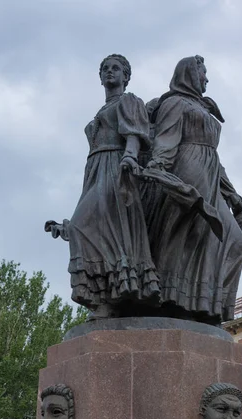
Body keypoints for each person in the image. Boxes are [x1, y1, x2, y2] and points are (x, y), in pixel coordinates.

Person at [46, 54, 160, 318]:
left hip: (115, 167)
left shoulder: (129, 101)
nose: (110, 72)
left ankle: (109, 297)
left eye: (116, 68)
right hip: (95, 170)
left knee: (86, 227)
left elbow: (134, 134)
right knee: (99, 232)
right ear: (99, 77)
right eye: (105, 69)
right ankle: (106, 299)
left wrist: (130, 157)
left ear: (126, 76)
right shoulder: (100, 110)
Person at [144, 55, 242, 324]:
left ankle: (209, 304)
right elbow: (165, 141)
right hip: (187, 172)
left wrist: (234, 197)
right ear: (190, 74)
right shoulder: (174, 103)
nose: (206, 78)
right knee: (183, 241)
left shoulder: (202, 107)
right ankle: (172, 301)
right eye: (203, 73)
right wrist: (158, 168)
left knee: (235, 244)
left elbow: (215, 158)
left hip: (210, 175)